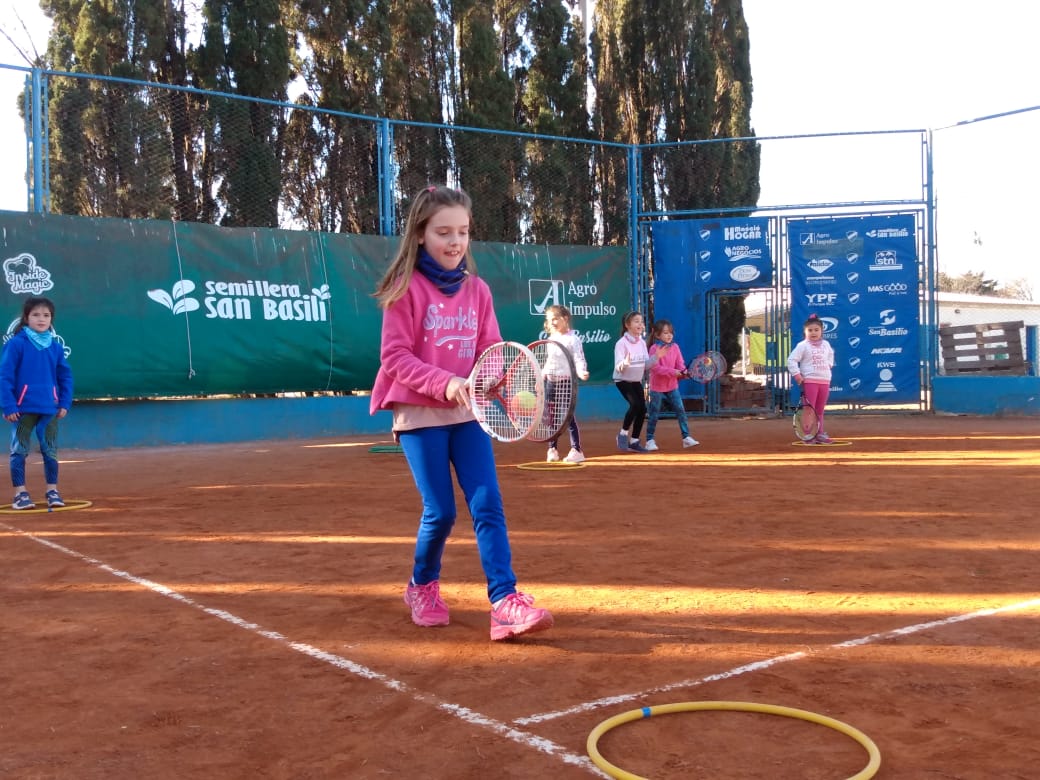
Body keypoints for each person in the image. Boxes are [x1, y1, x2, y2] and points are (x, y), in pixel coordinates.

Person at [369, 185, 553, 641]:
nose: (455, 242)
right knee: (441, 512)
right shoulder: (405, 289)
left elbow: (490, 348)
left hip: (469, 414)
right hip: (419, 414)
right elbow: (394, 357)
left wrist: (495, 378)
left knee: (487, 502)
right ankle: (422, 586)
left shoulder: (478, 290)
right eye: (443, 232)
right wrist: (448, 382)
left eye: (463, 232)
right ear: (420, 234)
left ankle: (504, 601)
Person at [0, 296, 74, 510]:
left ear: (51, 319)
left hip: (49, 408)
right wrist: (9, 405)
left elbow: (65, 377)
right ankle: (20, 494)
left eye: (46, 315)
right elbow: (5, 376)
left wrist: (64, 403)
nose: (41, 319)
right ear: (26, 318)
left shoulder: (55, 347)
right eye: (36, 315)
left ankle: (52, 491)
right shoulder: (16, 344)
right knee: (19, 451)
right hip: (22, 410)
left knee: (50, 451)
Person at [542, 304, 589, 464]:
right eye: (550, 319)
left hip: (566, 382)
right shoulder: (551, 339)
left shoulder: (573, 339)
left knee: (567, 417)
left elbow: (579, 358)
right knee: (552, 417)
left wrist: (581, 371)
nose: (552, 322)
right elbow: (549, 361)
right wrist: (542, 376)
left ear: (565, 318)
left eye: (556, 318)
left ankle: (577, 450)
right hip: (551, 382)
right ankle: (552, 449)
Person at [645, 319, 698, 451]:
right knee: (654, 413)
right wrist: (674, 372)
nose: (669, 335)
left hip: (672, 386)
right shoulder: (654, 349)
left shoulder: (675, 347)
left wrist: (684, 372)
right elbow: (655, 369)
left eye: (671, 332)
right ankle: (649, 440)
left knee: (680, 410)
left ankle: (686, 438)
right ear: (657, 335)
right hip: (657, 386)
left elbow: (680, 364)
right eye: (665, 333)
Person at [787, 313, 835, 444]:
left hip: (824, 381)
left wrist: (828, 365)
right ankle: (808, 435)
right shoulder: (802, 345)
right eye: (810, 330)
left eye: (816, 330)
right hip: (809, 382)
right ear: (805, 332)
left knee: (820, 410)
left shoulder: (826, 344)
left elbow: (830, 355)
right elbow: (791, 360)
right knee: (809, 409)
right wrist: (797, 375)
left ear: (821, 331)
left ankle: (819, 433)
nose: (813, 333)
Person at [613, 310, 657, 453]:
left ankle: (634, 441)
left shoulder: (642, 343)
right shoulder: (621, 344)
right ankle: (623, 434)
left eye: (641, 321)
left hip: (636, 380)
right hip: (622, 380)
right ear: (627, 325)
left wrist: (657, 357)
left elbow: (646, 365)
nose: (640, 324)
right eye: (636, 321)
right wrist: (625, 363)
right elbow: (618, 367)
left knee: (642, 409)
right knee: (635, 405)